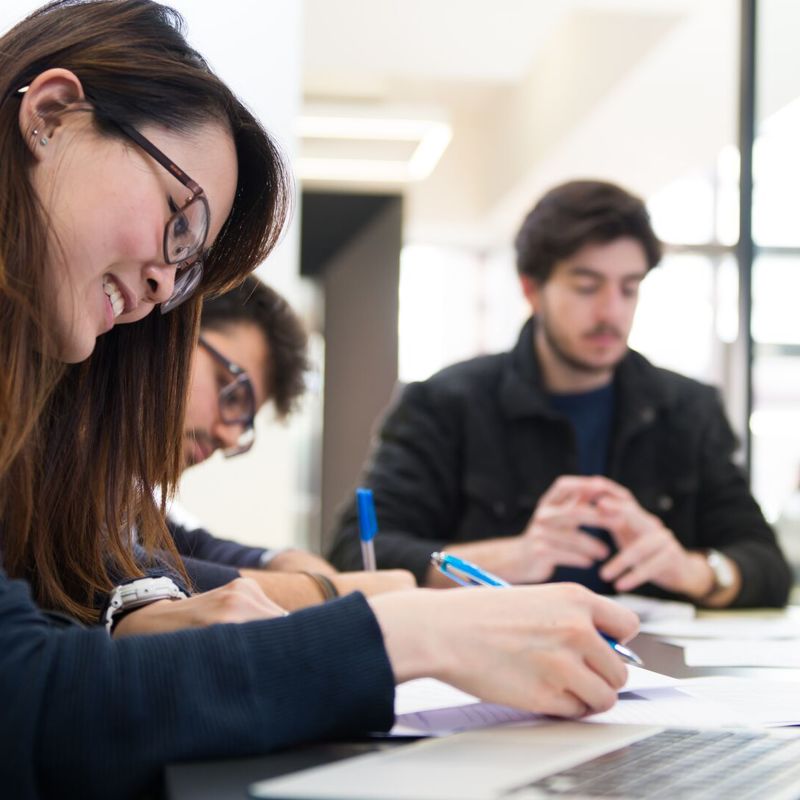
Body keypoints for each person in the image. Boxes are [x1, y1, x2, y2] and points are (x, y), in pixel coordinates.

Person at [0, 4, 637, 798]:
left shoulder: (40, 416)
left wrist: (139, 605)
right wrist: (404, 632)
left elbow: (92, 561)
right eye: (178, 221)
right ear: (53, 114)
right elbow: (27, 706)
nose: (165, 283)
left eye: (189, 265)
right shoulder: (445, 402)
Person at [329, 179, 791, 609]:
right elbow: (357, 554)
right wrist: (515, 556)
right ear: (532, 289)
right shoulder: (445, 404)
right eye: (587, 286)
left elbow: (768, 566)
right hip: (489, 669)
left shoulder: (689, 409)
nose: (611, 311)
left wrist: (690, 570)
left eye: (629, 289)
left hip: (654, 672)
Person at [165, 276, 415, 608]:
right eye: (232, 393)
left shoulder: (129, 496)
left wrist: (279, 559)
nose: (229, 437)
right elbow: (124, 570)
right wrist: (328, 591)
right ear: (166, 329)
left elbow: (183, 545)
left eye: (244, 419)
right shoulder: (75, 465)